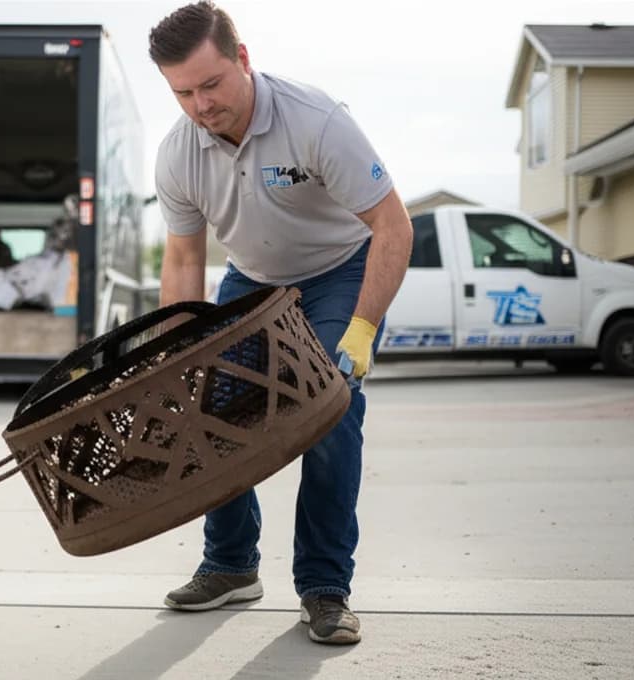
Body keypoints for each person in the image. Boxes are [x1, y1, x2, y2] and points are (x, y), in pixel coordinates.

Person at [149, 1, 413, 645]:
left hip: (338, 271)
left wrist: (360, 330)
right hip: (253, 280)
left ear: (244, 60)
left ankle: (325, 586)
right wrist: (175, 348)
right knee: (203, 407)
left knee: (328, 409)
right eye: (184, 92)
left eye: (211, 84)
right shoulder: (178, 154)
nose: (201, 105)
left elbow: (393, 226)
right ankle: (231, 564)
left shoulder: (315, 120)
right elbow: (184, 257)